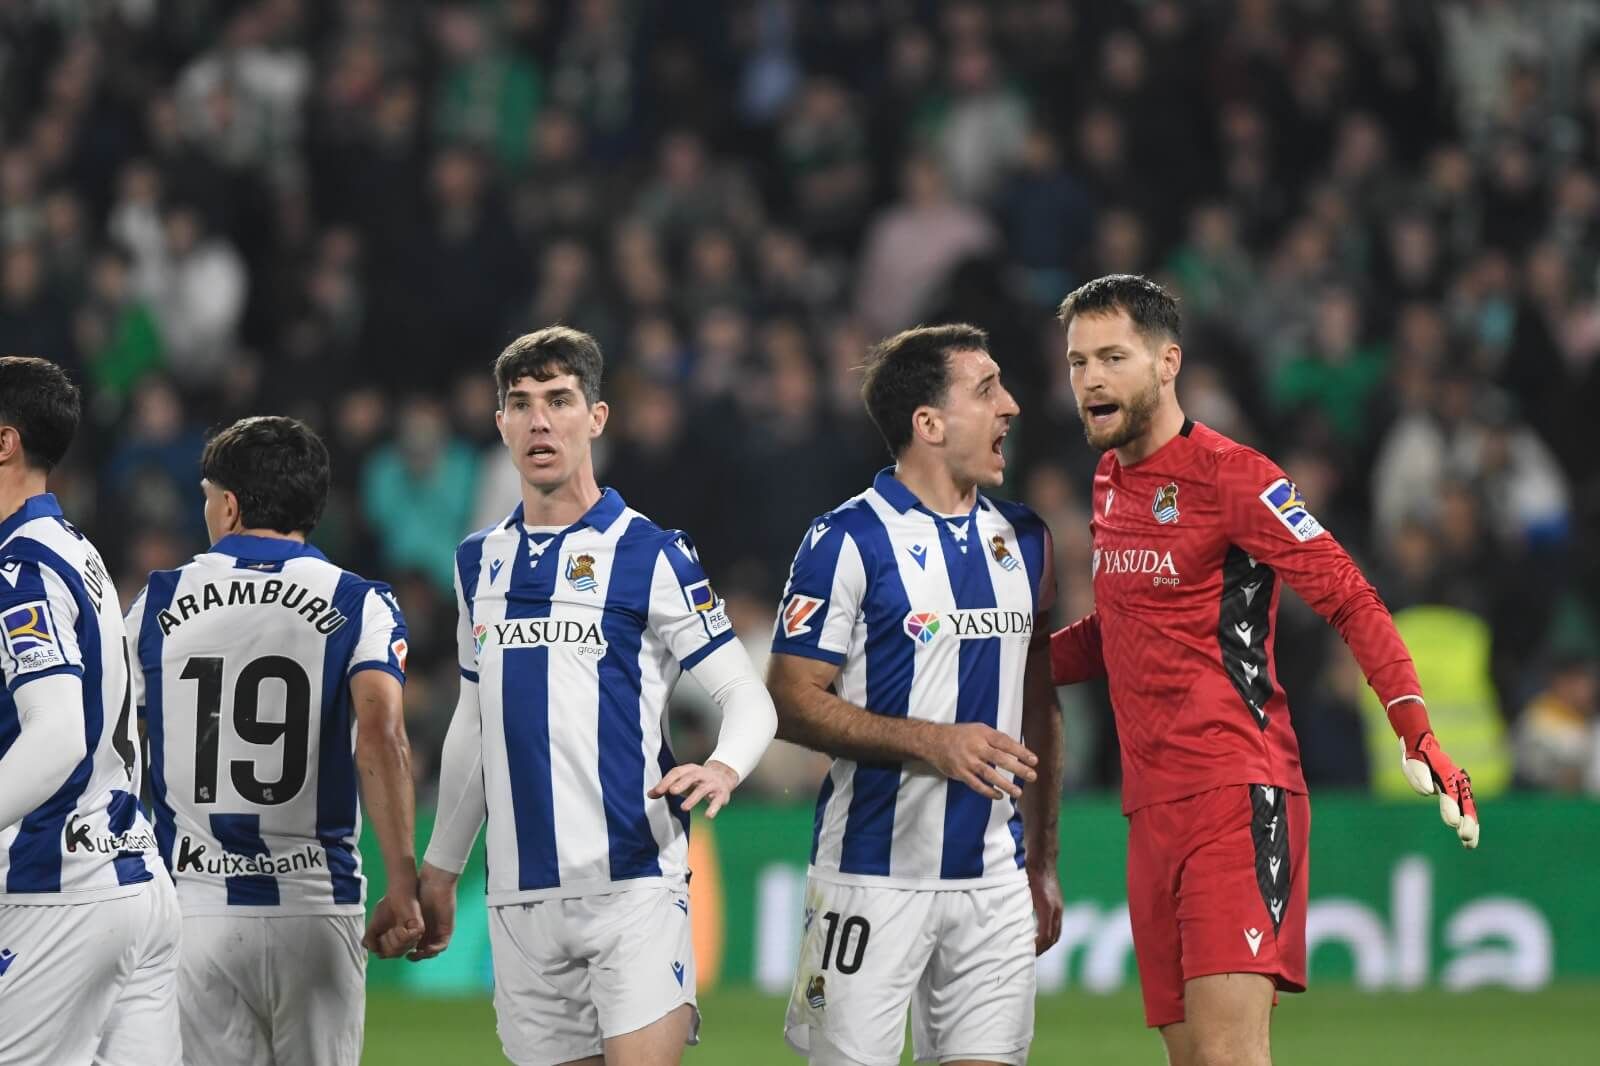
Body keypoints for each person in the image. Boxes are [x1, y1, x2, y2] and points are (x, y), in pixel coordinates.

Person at [1049, 274, 1479, 1066]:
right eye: (1078, 362)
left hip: (1234, 792)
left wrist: (1414, 728)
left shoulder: (1234, 476)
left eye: (1112, 357)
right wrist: (998, 659)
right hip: (1150, 809)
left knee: (1229, 1056)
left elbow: (1349, 595)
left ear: (1167, 363)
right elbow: (1121, 631)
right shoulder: (1110, 482)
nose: (1091, 379)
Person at [412, 326, 777, 1066]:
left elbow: (749, 696)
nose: (540, 422)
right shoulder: (477, 562)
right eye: (521, 404)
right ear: (501, 425)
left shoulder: (651, 553)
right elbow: (474, 722)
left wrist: (724, 766)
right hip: (519, 900)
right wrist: (442, 867)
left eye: (559, 400)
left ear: (597, 418)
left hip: (633, 884)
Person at [766, 324, 1065, 1066]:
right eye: (986, 390)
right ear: (928, 424)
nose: (1011, 406)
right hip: (869, 878)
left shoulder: (1026, 540)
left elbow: (1039, 702)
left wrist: (1042, 860)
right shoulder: (845, 540)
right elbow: (790, 698)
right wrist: (932, 741)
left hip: (993, 879)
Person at [126, 415, 420, 1066]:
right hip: (315, 905)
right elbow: (382, 736)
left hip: (195, 911)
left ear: (229, 506)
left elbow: (109, 737)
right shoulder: (359, 602)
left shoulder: (158, 602)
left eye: (208, 497)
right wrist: (403, 878)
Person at [0, 356, 180, 1065]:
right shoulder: (74, 549)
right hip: (135, 880)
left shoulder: (20, 568)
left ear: (4, 441)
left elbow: (57, 737)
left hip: (60, 891)